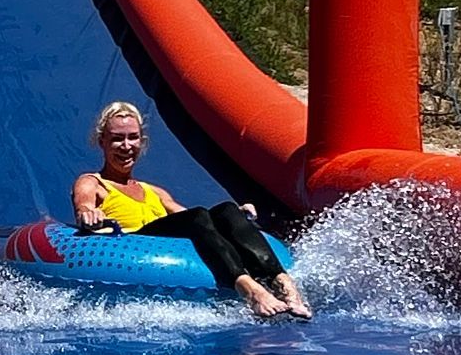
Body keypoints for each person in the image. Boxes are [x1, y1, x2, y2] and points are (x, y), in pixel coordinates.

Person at [71, 99, 311, 320]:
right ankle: (249, 290)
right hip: (133, 243)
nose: (126, 146)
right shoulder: (93, 182)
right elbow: (84, 203)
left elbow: (194, 218)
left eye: (133, 137)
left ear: (141, 141)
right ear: (102, 141)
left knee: (226, 210)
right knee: (197, 216)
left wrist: (237, 217)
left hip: (166, 237)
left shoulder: (153, 191)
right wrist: (88, 213)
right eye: (117, 139)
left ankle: (285, 285)